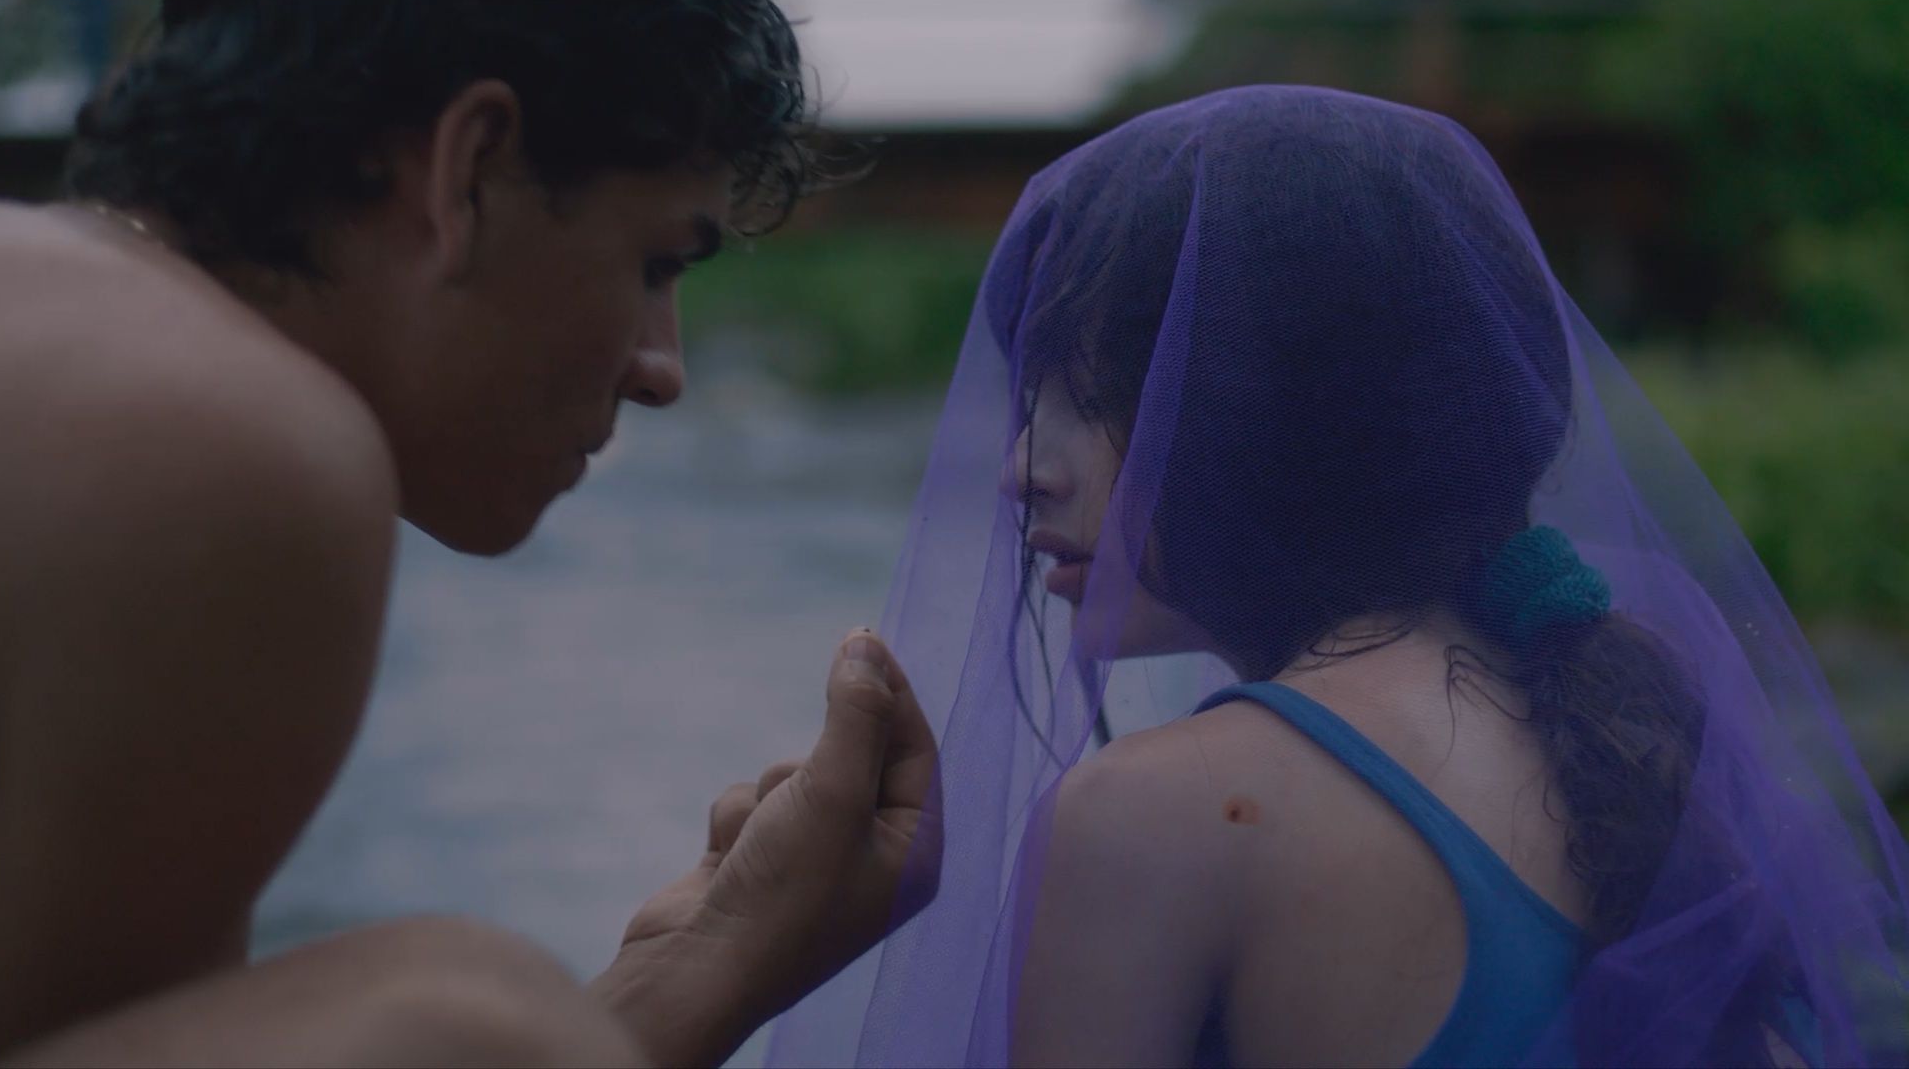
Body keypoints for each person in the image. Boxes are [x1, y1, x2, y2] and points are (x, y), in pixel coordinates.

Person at [767, 87, 1909, 1067]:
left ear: (1262, 412)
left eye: (1093, 394)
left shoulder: (1155, 816)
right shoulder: (1629, 708)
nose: (1021, 471)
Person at [0, 0, 938, 1066]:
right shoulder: (231, 443)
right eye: (658, 264)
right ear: (470, 169)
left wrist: (705, 960)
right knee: (473, 1015)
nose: (662, 369)